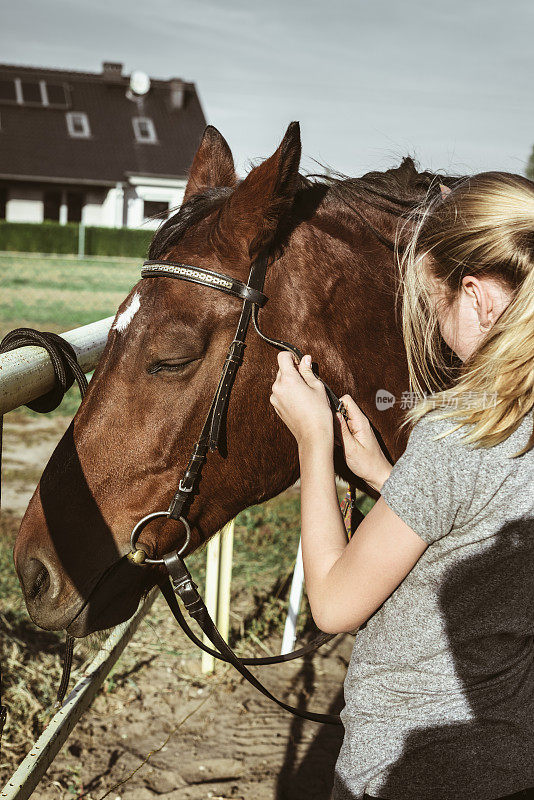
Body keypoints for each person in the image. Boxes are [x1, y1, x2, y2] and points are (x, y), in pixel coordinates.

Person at [269, 170, 534, 800]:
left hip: (408, 772)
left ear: (476, 296)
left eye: (434, 298)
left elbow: (335, 603)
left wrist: (314, 443)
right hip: (515, 761)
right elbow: (482, 521)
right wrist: (388, 479)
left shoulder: (457, 437)